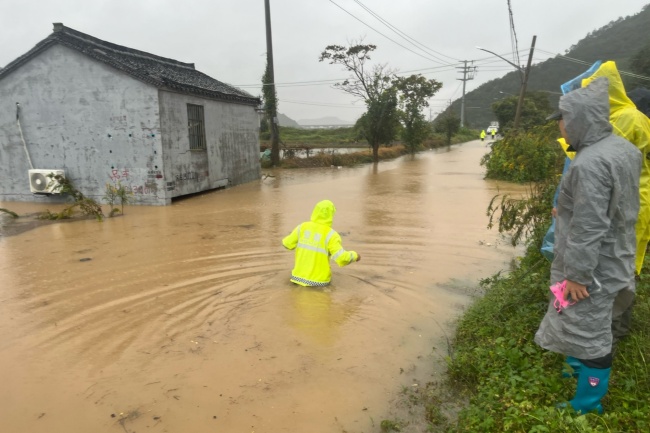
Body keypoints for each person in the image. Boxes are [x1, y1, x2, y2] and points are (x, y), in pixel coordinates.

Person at [535, 77, 642, 414]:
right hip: (619, 251)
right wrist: (564, 208)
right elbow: (612, 202)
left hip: (594, 265)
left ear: (579, 118)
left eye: (564, 120)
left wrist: (578, 275)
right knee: (589, 321)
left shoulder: (589, 163)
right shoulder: (621, 148)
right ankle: (576, 371)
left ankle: (586, 404)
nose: (562, 128)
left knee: (589, 331)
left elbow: (590, 225)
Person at [282, 199, 360, 287]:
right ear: (331, 215)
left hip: (297, 279)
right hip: (319, 283)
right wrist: (355, 256)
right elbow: (341, 258)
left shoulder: (302, 227)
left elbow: (286, 244)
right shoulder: (331, 235)